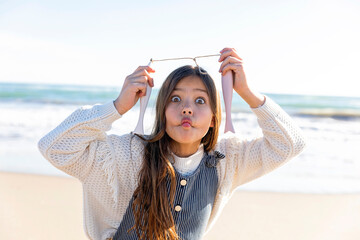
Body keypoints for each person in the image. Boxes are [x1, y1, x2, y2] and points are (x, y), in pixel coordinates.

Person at [38, 47, 306, 240]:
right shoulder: (128, 154)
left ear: (214, 119)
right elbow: (55, 147)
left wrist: (247, 93)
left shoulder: (228, 159)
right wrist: (118, 106)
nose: (187, 108)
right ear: (162, 111)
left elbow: (290, 143)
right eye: (175, 99)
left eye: (200, 101)